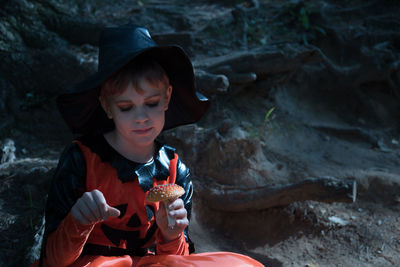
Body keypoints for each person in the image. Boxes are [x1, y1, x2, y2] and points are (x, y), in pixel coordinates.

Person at [32, 25, 263, 267]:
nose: (141, 117)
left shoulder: (174, 168)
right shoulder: (81, 159)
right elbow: (53, 261)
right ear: (107, 106)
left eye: (151, 103)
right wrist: (77, 222)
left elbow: (180, 261)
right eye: (126, 107)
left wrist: (172, 235)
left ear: (167, 98)